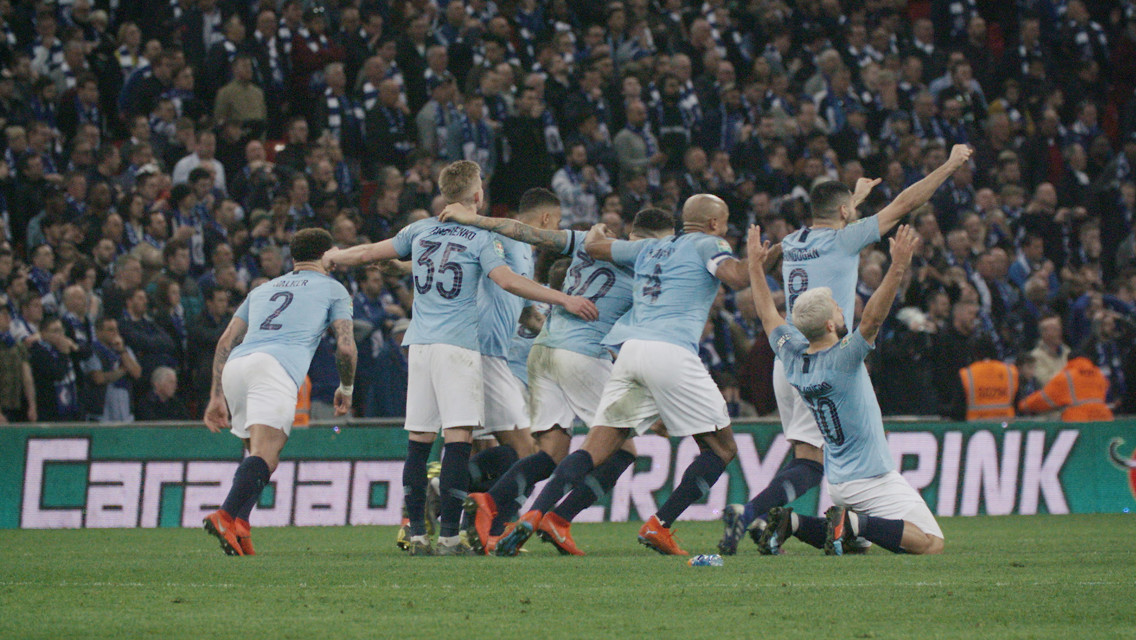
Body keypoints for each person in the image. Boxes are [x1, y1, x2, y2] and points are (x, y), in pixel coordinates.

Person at [322, 160, 597, 556]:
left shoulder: (420, 230)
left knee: (421, 443)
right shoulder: (488, 236)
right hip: (466, 348)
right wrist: (564, 299)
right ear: (478, 195)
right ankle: (453, 531)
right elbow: (506, 280)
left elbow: (368, 251)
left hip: (421, 345)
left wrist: (335, 255)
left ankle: (422, 532)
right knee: (464, 442)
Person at [719, 143, 972, 555]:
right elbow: (906, 203)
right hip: (830, 362)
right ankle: (750, 514)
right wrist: (950, 164)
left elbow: (769, 299)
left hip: (789, 355)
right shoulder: (844, 240)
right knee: (814, 461)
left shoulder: (793, 241)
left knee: (821, 459)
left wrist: (854, 197)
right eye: (849, 211)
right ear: (843, 213)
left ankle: (816, 525)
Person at [494, 193, 752, 557]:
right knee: (722, 448)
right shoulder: (703, 246)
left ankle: (540, 514)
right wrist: (760, 258)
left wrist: (595, 233)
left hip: (624, 352)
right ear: (713, 224)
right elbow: (738, 277)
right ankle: (660, 524)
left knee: (596, 448)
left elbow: (589, 246)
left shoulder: (642, 251)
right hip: (661, 353)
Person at [439, 201, 675, 555]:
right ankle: (557, 518)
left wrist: (475, 219)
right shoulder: (649, 268)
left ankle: (490, 502)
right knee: (622, 450)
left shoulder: (588, 241)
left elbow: (526, 232)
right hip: (582, 355)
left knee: (551, 453)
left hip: (544, 351)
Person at [747, 223, 944, 555]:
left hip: (838, 479)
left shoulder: (791, 356)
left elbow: (767, 314)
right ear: (830, 324)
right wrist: (898, 266)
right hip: (870, 477)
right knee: (930, 543)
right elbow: (873, 320)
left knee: (857, 547)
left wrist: (755, 265)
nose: (842, 308)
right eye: (836, 308)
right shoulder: (843, 358)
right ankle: (853, 523)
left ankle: (793, 524)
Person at [202, 227, 356, 557]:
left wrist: (216, 396)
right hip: (274, 368)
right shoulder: (334, 289)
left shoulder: (263, 289)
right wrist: (346, 387)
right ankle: (225, 515)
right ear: (326, 255)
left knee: (258, 456)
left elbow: (226, 340)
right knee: (266, 455)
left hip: (237, 366)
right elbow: (345, 347)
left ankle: (241, 527)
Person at [1018, 353, 1114, 422]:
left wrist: (1023, 404)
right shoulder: (1099, 374)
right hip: (1104, 418)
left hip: (1078, 420)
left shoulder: (1066, 377)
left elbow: (1045, 398)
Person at [81, 317, 142, 423]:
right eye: (110, 330)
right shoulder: (92, 351)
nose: (115, 333)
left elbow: (137, 373)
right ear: (98, 332)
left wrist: (122, 351)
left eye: (116, 330)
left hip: (124, 408)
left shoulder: (125, 350)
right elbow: (98, 378)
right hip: (102, 410)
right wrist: (123, 370)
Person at [959, 338, 1018, 421]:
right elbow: (1017, 401)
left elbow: (959, 405)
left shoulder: (967, 373)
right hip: (1006, 424)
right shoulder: (1010, 371)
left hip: (976, 425)